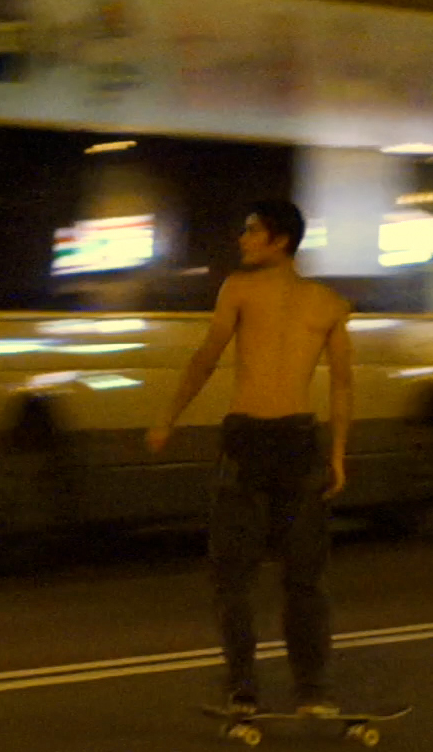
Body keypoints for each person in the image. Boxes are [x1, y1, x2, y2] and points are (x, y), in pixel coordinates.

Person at [146, 200, 353, 716]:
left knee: (249, 575)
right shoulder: (321, 302)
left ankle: (261, 690)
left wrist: (168, 417)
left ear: (279, 240)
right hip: (287, 442)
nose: (241, 238)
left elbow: (208, 357)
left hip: (265, 442)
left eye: (251, 230)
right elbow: (342, 387)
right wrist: (339, 454)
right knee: (285, 575)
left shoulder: (262, 293)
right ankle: (301, 691)